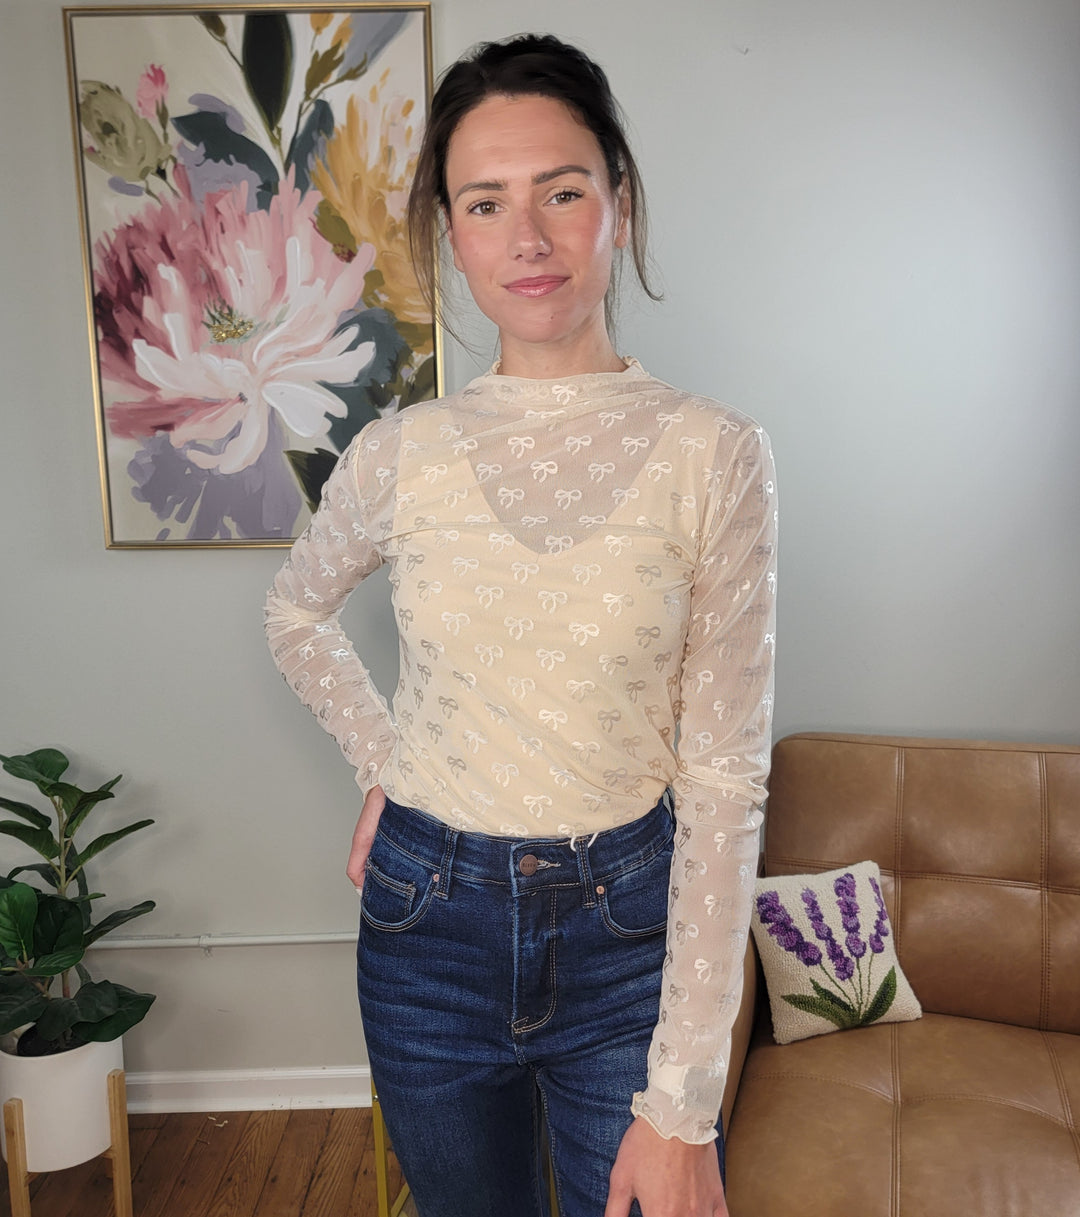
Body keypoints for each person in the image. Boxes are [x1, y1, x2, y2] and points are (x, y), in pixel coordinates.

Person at [265, 33, 777, 1217]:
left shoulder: (715, 453)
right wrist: (387, 762)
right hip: (424, 931)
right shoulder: (403, 452)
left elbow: (724, 777)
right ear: (452, 235)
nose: (528, 237)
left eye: (563, 191)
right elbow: (296, 610)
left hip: (629, 932)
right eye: (486, 203)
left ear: (619, 204)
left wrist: (684, 1099)